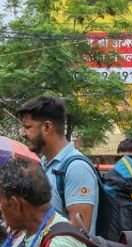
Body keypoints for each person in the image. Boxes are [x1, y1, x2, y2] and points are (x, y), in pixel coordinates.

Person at [21, 96, 100, 235]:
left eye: (28, 127)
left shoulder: (76, 168)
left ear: (47, 127)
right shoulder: (45, 164)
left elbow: (78, 235)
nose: (23, 134)